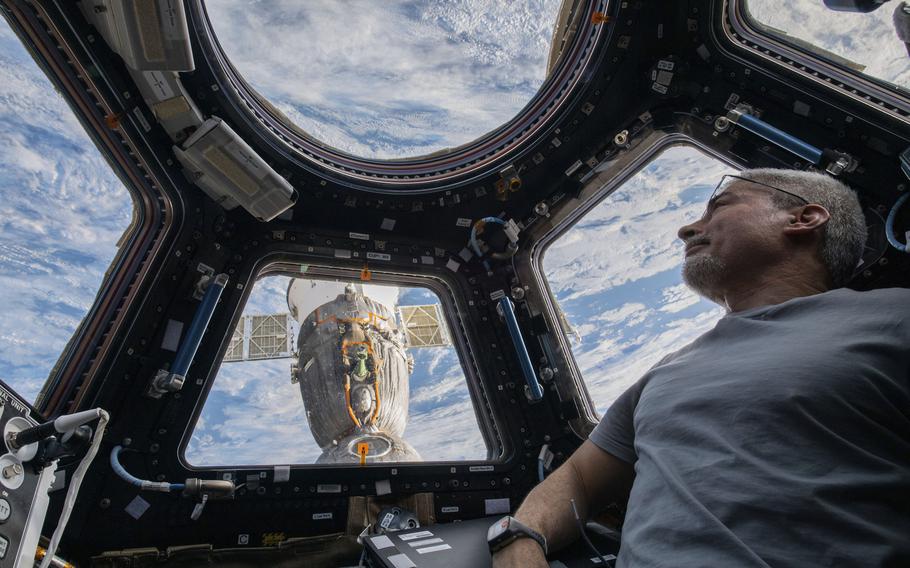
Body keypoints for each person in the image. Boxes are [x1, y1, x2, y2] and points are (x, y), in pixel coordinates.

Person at [492, 169, 910, 567]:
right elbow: (578, 481)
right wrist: (518, 538)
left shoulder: (895, 317)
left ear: (803, 218)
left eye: (718, 207)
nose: (687, 229)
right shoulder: (664, 373)